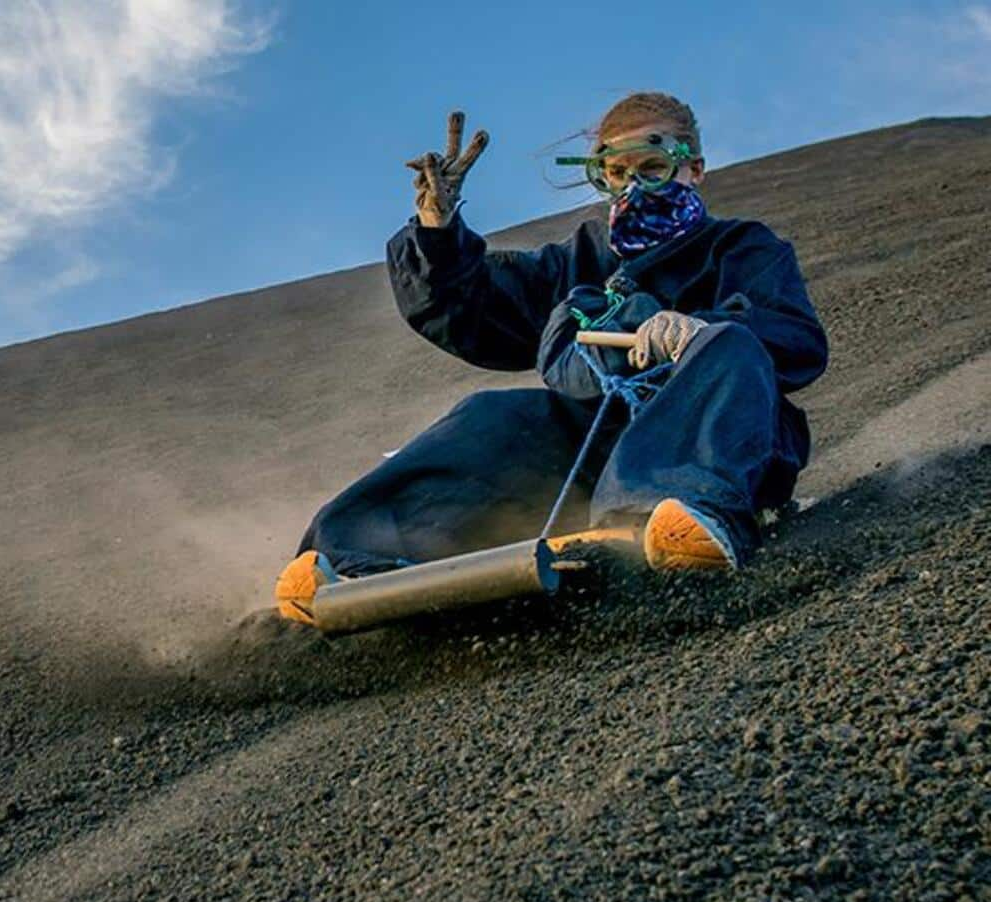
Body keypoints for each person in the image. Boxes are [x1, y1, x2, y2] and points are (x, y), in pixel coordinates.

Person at [275, 92, 828, 626]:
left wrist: (698, 331)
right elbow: (472, 309)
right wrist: (437, 232)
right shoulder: (579, 258)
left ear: (694, 168)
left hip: (724, 443)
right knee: (486, 415)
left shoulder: (743, 247)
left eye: (653, 166)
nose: (634, 185)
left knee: (729, 345)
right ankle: (355, 553)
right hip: (597, 443)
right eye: (616, 172)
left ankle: (677, 517)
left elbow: (796, 338)